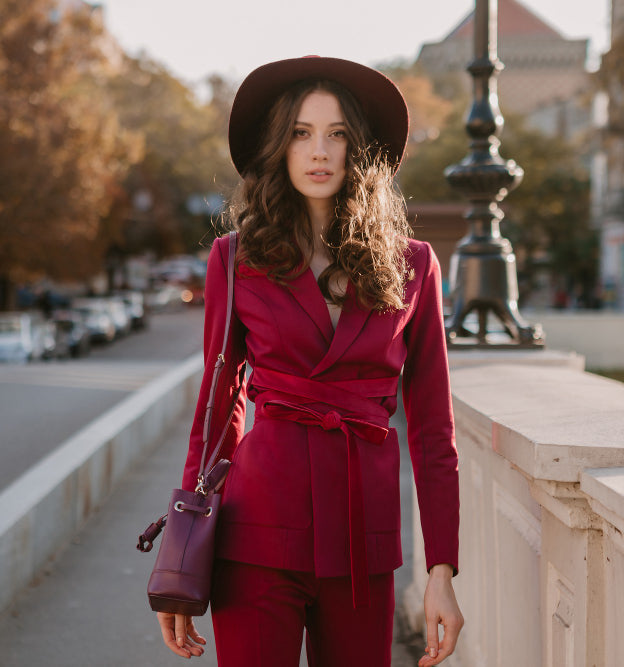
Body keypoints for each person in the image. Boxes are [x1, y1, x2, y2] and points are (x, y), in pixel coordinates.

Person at [157, 56, 462, 667]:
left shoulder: (414, 266)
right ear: (280, 146)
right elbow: (219, 405)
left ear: (361, 150)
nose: (318, 150)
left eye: (337, 133)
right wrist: (183, 547)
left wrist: (441, 570)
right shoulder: (235, 258)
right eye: (301, 132)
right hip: (257, 533)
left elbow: (433, 432)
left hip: (363, 544)